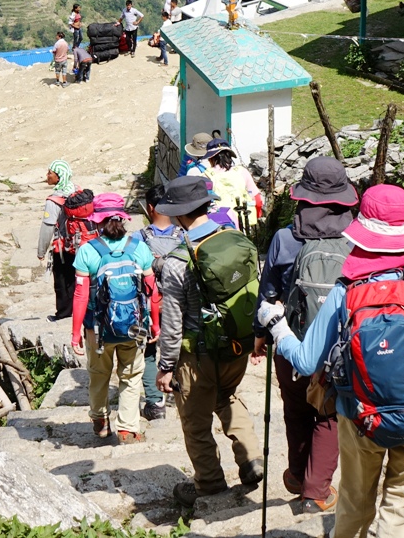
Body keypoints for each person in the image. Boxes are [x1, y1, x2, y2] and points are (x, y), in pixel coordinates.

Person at [258, 184, 404, 538]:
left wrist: (277, 325)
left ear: (362, 232)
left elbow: (307, 363)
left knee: (355, 502)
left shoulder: (345, 289)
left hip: (359, 415)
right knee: (402, 503)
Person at [252, 157, 358, 513]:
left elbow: (267, 292)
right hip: (339, 347)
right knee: (329, 414)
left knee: (296, 408)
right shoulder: (356, 239)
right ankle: (316, 492)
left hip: (290, 341)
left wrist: (260, 334)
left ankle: (297, 475)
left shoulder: (285, 238)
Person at [154, 176, 264, 506]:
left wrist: (165, 367)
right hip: (236, 345)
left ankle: (209, 485)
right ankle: (251, 460)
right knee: (227, 397)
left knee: (195, 423)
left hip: (196, 357)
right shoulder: (234, 239)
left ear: (178, 214)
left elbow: (172, 323)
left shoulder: (176, 261)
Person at [71, 193, 159, 444]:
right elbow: (152, 290)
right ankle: (128, 429)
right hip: (134, 326)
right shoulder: (138, 247)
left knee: (99, 374)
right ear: (122, 217)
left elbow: (80, 294)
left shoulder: (88, 251)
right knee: (131, 376)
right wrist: (156, 323)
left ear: (97, 221)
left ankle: (100, 420)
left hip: (97, 328)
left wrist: (76, 332)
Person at [139, 184, 187, 421]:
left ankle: (155, 403)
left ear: (149, 208)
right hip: (180, 303)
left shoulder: (139, 239)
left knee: (148, 352)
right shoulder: (184, 237)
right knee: (179, 347)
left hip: (150, 304)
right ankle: (181, 392)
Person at [38, 159, 79, 321]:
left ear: (59, 176)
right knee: (77, 277)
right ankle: (79, 309)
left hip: (62, 246)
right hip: (80, 242)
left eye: (50, 173)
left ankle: (63, 313)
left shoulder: (53, 200)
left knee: (62, 281)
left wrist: (41, 251)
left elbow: (47, 228)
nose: (47, 176)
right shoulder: (77, 191)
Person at [203, 139, 261, 226]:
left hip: (218, 224)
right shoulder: (242, 172)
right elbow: (257, 200)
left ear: (210, 158)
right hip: (244, 223)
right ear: (229, 155)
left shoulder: (206, 176)